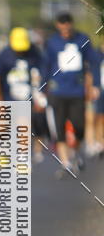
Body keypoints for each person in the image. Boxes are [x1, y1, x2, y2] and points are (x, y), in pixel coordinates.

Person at [43, 12, 100, 175]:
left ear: (71, 24)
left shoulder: (83, 40)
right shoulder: (52, 42)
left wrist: (95, 85)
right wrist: (41, 88)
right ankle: (65, 162)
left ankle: (75, 152)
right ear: (57, 26)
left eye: (68, 26)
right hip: (57, 91)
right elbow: (45, 65)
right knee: (59, 127)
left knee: (79, 125)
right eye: (62, 27)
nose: (65, 30)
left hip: (77, 90)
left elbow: (94, 62)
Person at [0, 27, 50, 162]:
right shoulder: (4, 55)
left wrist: (40, 96)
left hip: (27, 97)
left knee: (23, 125)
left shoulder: (35, 53)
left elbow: (40, 75)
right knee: (5, 126)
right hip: (8, 96)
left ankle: (22, 157)